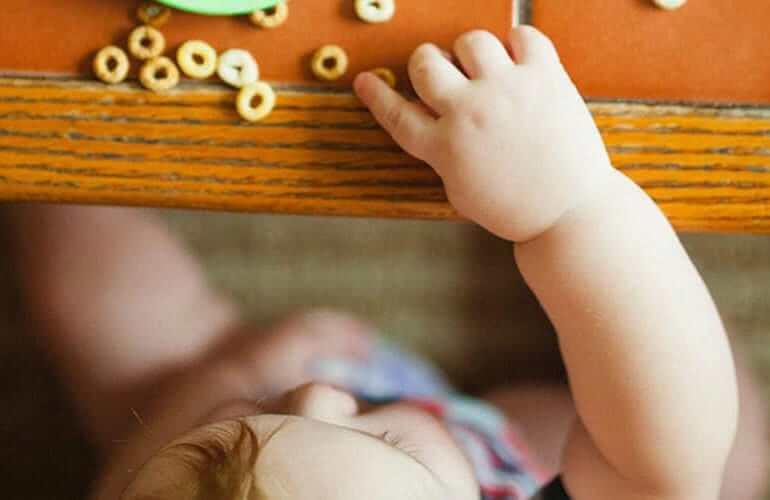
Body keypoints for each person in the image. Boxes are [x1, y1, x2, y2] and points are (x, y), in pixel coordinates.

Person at [5, 26, 767, 500]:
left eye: (272, 416)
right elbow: (668, 459)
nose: (320, 392)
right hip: (510, 454)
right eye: (382, 441)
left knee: (114, 329)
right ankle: (620, 216)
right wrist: (565, 208)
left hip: (216, 396)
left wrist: (233, 388)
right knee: (714, 449)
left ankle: (35, 136)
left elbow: (125, 483)